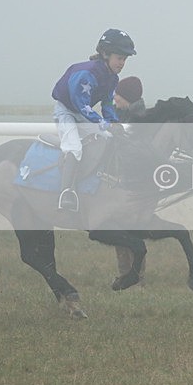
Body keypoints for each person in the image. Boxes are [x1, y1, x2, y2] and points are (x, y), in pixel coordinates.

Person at [51, 28, 136, 211]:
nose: (122, 63)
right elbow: (82, 105)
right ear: (105, 54)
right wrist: (104, 124)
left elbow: (106, 104)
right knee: (74, 148)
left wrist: (113, 122)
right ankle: (66, 192)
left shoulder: (112, 78)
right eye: (119, 58)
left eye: (125, 59)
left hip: (82, 114)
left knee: (109, 138)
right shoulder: (86, 74)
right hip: (66, 112)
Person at [112, 75, 147, 287]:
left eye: (117, 95)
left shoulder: (140, 120)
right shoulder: (122, 114)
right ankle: (127, 276)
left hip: (134, 183)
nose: (114, 98)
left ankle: (137, 279)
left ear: (127, 97)